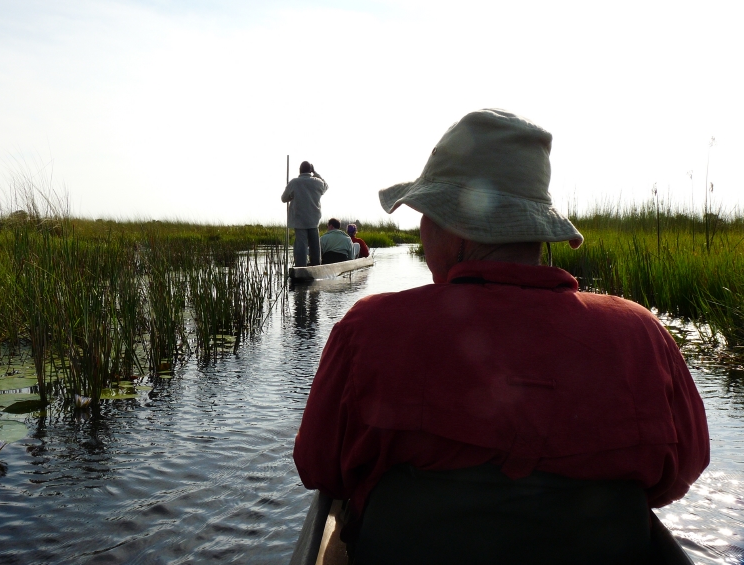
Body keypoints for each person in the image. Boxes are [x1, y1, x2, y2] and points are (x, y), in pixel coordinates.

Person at [293, 109, 709, 564]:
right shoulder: (642, 335)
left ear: (453, 226)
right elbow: (678, 476)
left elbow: (319, 468)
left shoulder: (368, 329)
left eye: (426, 215)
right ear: (537, 231)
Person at [281, 161, 328, 267]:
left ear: (300, 170)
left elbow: (284, 198)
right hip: (313, 219)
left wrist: (292, 196)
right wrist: (315, 173)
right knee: (315, 245)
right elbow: (326, 186)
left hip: (299, 220)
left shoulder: (294, 182)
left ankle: (301, 267)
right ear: (310, 170)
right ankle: (316, 266)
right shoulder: (317, 182)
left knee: (301, 245)